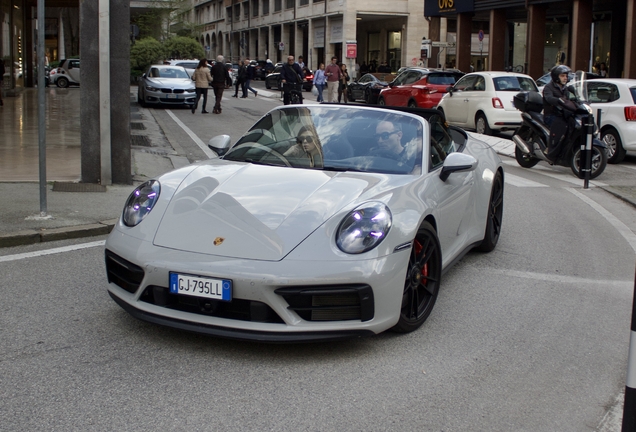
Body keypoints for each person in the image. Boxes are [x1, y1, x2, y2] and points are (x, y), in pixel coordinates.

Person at [542, 64, 573, 161]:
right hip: (551, 115)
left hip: (563, 114)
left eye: (566, 76)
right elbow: (549, 98)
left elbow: (573, 98)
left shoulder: (566, 89)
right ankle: (551, 150)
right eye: (562, 76)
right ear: (556, 77)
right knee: (561, 127)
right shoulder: (548, 87)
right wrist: (558, 100)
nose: (565, 78)